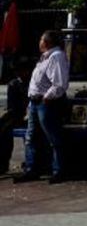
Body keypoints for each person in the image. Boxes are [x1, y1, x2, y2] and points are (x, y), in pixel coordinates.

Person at [14, 30, 70, 184]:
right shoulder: (45, 57)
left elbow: (59, 83)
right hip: (35, 102)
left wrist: (47, 97)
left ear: (47, 42)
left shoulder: (56, 57)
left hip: (47, 103)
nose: (39, 42)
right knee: (31, 137)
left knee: (53, 137)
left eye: (41, 39)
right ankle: (32, 169)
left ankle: (58, 170)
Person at [1, 58, 30, 176]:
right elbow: (11, 106)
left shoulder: (31, 83)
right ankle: (3, 163)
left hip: (29, 114)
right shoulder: (13, 84)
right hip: (17, 114)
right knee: (4, 129)